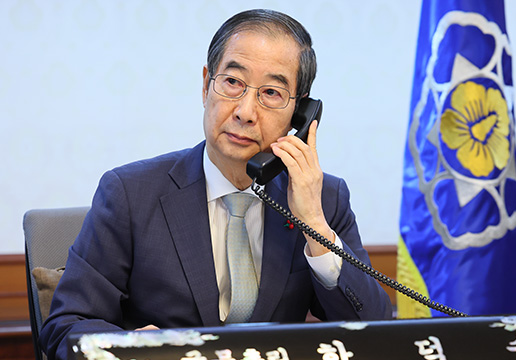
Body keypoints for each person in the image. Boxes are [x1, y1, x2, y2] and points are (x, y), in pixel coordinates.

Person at [40, 8, 392, 359]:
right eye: (233, 83)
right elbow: (66, 326)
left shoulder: (323, 199)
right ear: (206, 85)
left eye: (271, 93)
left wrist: (314, 225)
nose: (245, 111)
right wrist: (133, 349)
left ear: (300, 114)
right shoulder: (130, 193)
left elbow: (376, 334)